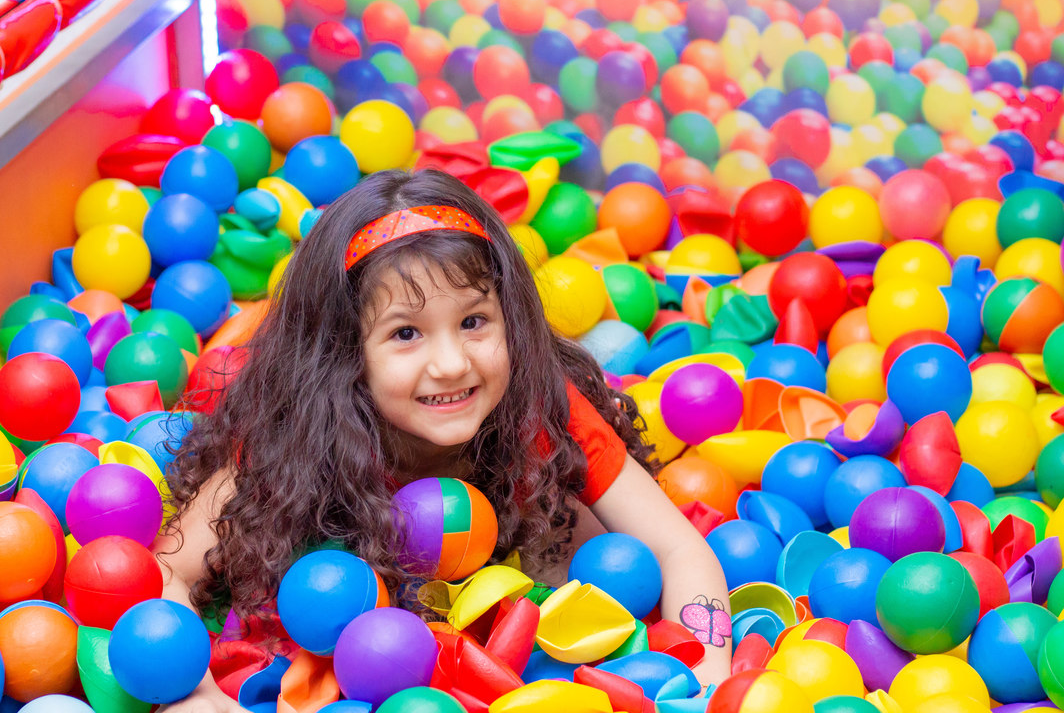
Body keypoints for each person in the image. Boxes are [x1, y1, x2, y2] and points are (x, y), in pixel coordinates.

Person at [154, 168, 732, 711]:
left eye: (474, 321)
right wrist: (192, 688)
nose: (452, 363)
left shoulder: (541, 409)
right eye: (406, 333)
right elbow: (168, 569)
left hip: (526, 616)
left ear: (512, 319)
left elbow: (678, 548)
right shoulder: (300, 436)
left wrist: (706, 683)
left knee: (590, 533)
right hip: (360, 630)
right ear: (344, 356)